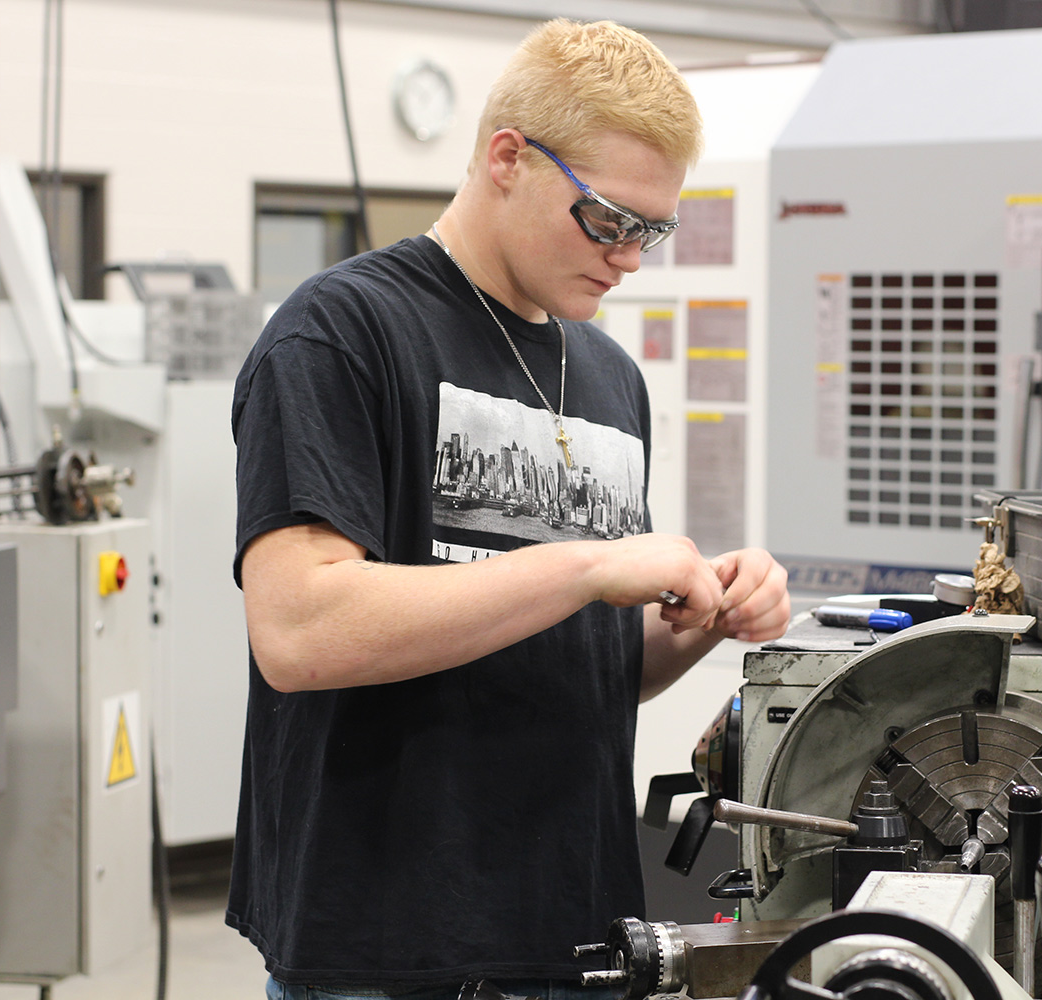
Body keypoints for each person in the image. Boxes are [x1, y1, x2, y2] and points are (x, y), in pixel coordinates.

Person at [227, 18, 791, 1000]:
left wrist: (706, 619)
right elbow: (299, 629)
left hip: (578, 934)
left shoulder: (609, 377)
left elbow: (592, 667)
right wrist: (582, 565)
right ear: (507, 159)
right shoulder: (340, 336)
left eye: (651, 231)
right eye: (609, 220)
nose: (629, 259)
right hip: (390, 951)